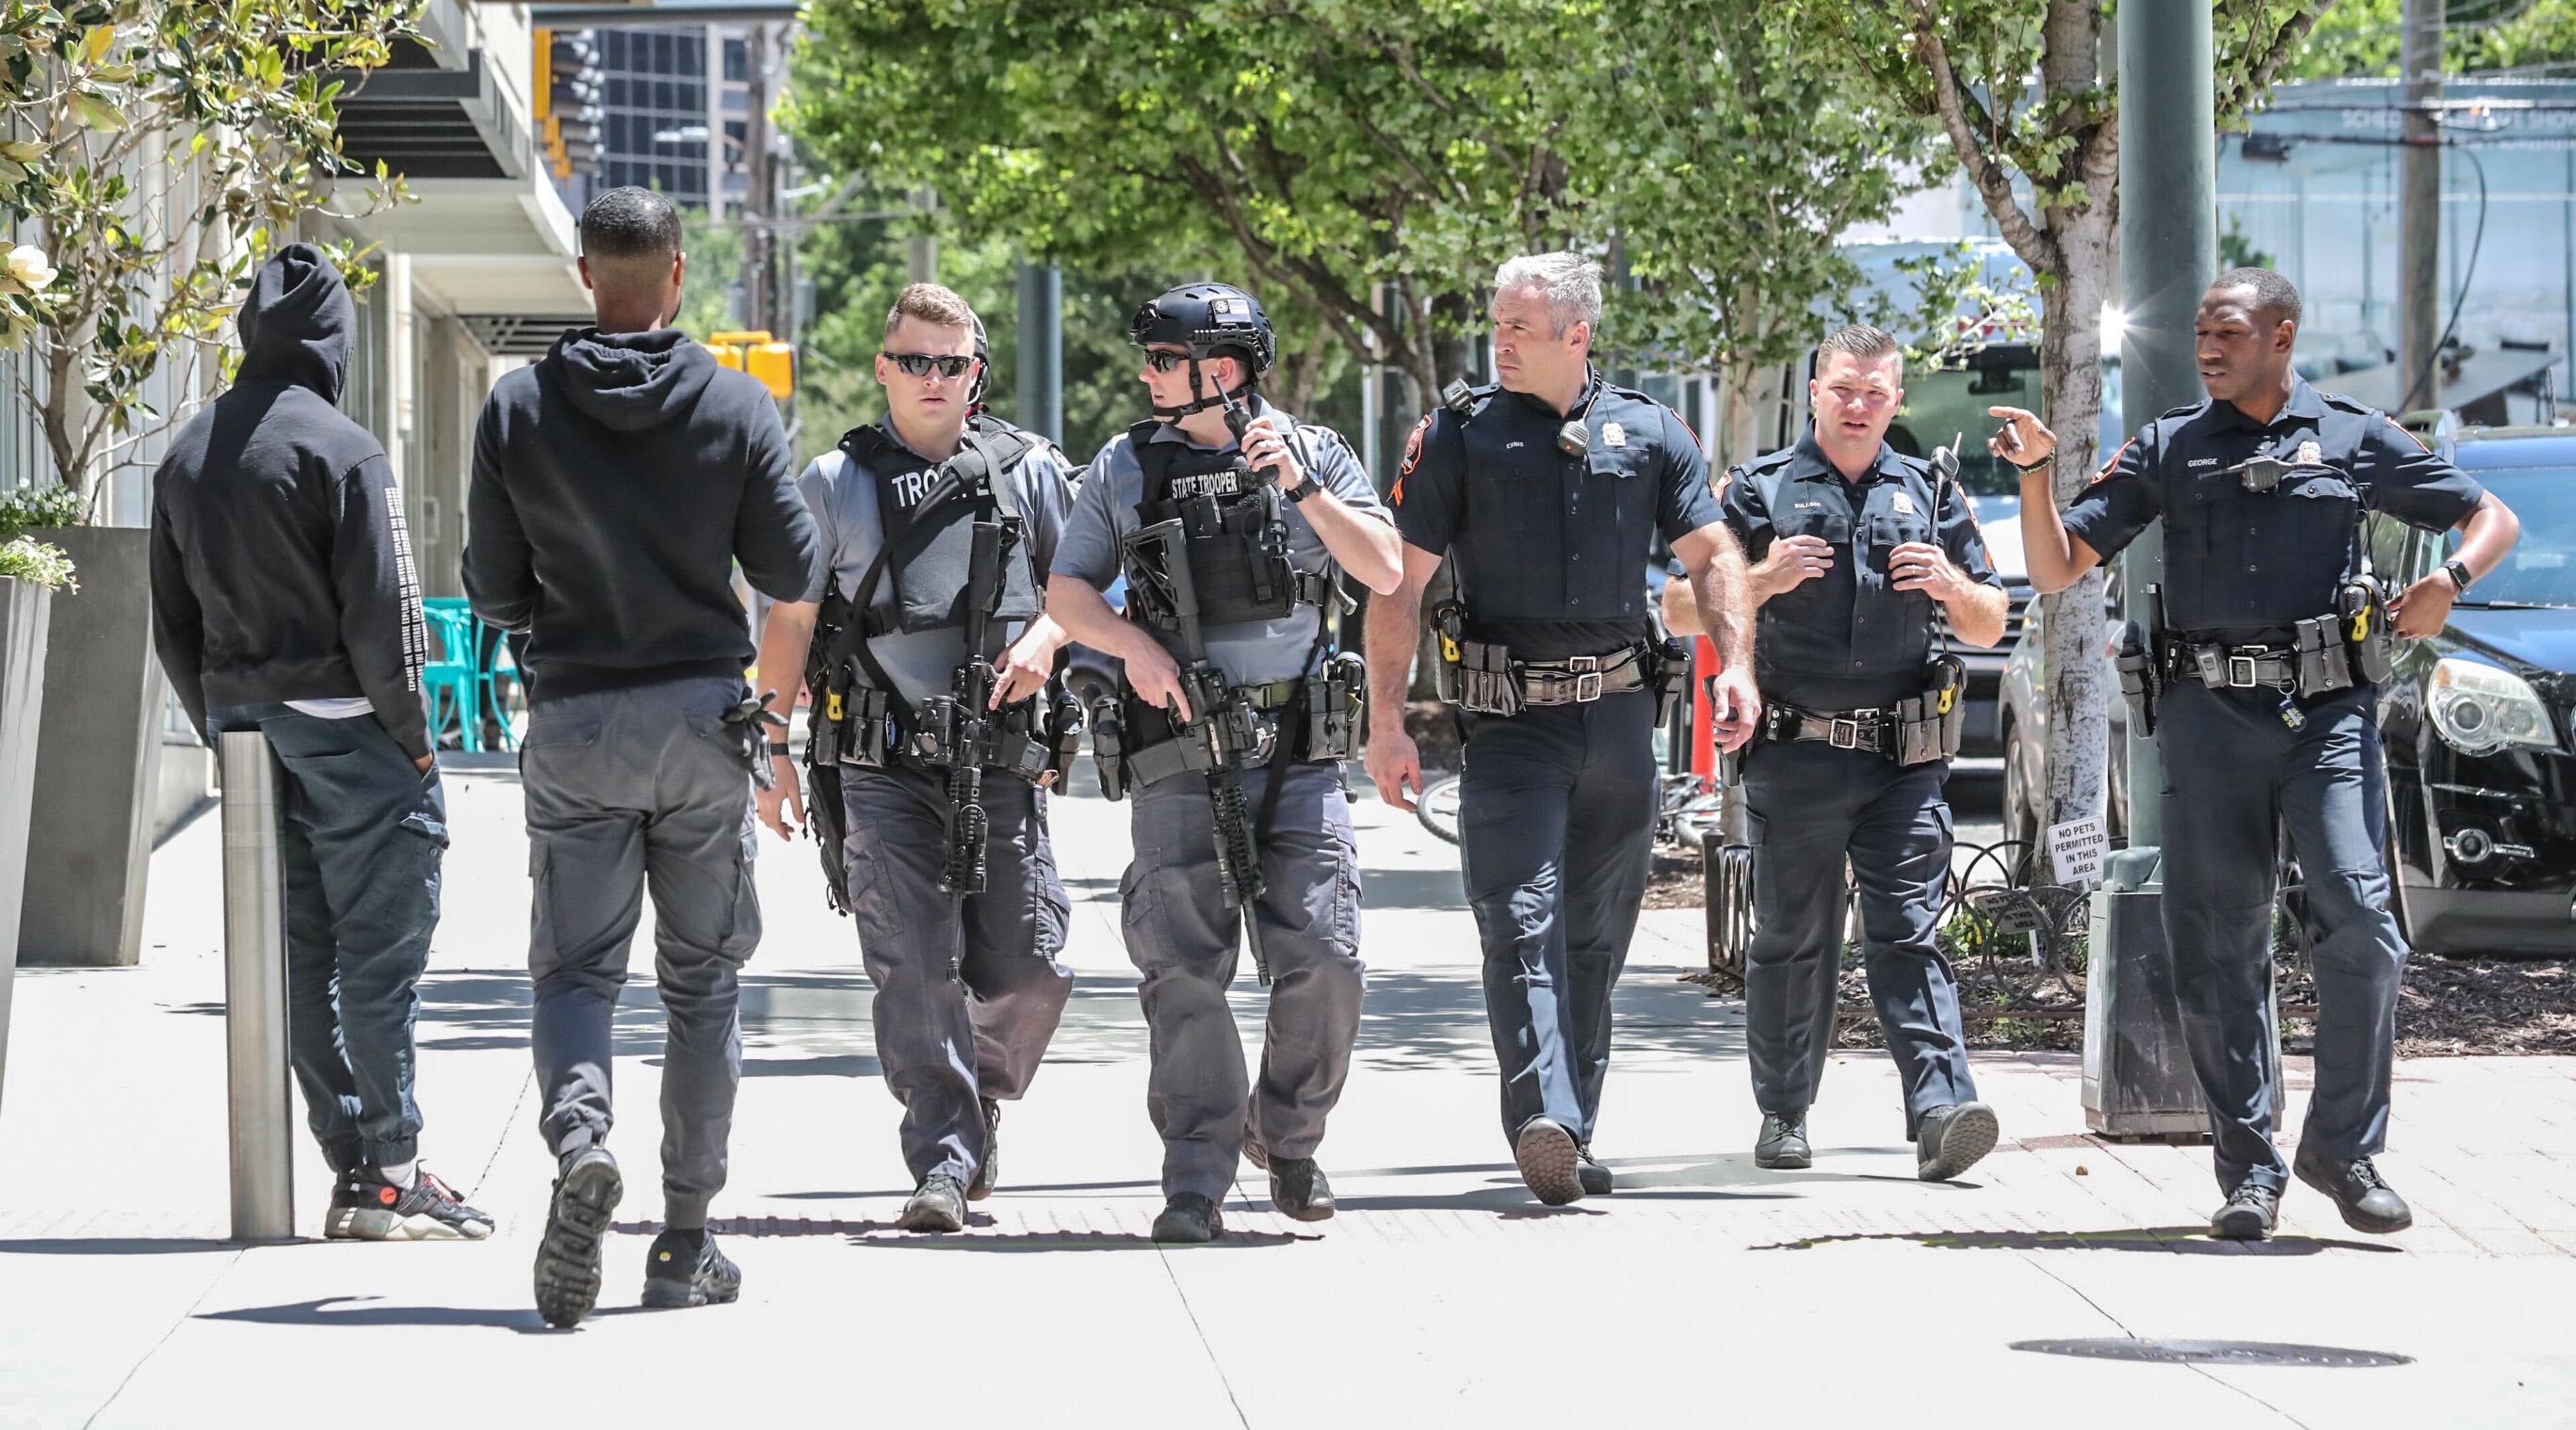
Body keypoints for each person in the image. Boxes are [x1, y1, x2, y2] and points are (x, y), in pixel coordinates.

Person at [2000, 266, 2520, 1240]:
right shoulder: (2169, 447)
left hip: (2326, 718)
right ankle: (2249, 1171)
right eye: (2200, 330)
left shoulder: (2356, 437)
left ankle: (2342, 1148)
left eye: (2227, 331)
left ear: (2281, 336)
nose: (2206, 346)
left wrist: (2449, 579)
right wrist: (2036, 477)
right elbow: (2058, 564)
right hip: (2205, 723)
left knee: (2362, 927)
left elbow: (2492, 517)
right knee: (2217, 947)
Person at [466, 186, 820, 1321]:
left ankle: (580, 1146)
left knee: (574, 972)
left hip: (575, 717)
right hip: (699, 722)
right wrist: (769, 720)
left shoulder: (518, 410)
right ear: (676, 274)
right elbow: (790, 567)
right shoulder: (732, 403)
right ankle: (684, 1239)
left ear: (585, 275)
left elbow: (491, 588)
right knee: (701, 985)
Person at [1365, 252, 1760, 1206]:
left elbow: (1713, 555)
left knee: (1594, 941)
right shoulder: (1458, 435)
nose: (1500, 343)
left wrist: (1737, 663)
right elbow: (1397, 585)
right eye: (1495, 324)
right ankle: (1543, 1115)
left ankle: (1572, 1128)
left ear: (1576, 335)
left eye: (1520, 329)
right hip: (1508, 726)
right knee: (1520, 922)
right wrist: (1384, 720)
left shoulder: (1651, 429)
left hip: (1624, 722)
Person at [1045, 282, 1401, 1243]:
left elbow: (1384, 569)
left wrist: (1302, 489)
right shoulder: (1126, 463)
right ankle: (1194, 1177)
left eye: (1165, 360)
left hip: (1297, 754)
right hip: (1178, 750)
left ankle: (1285, 1138)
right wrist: (1134, 649)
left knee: (1328, 960)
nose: (1148, 374)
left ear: (1227, 371)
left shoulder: (1313, 452)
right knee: (1184, 970)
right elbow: (1068, 591)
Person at [150, 243, 492, 1242]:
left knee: (293, 953)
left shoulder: (187, 451)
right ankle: (393, 1166)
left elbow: (170, 622)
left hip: (245, 725)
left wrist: (222, 728)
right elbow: (384, 614)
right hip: (346, 724)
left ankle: (354, 1162)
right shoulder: (343, 450)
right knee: (380, 951)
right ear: (335, 342)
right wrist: (417, 739)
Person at [751, 283, 1078, 1233]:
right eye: (915, 362)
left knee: (1030, 968)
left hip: (1004, 761)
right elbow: (790, 622)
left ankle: (977, 1096)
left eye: (953, 363)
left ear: (976, 374)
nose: (933, 379)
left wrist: (1049, 640)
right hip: (879, 767)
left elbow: (1089, 588)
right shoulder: (833, 482)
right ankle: (942, 1155)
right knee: (912, 966)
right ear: (884, 368)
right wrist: (771, 749)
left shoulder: (1033, 473)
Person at [1666, 325, 2006, 1182]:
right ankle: (1784, 1113)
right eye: (1843, 390)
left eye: (1876, 394)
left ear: (1898, 400)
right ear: (1814, 391)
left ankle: (1941, 1108)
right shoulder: (1757, 489)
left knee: (1909, 935)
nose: (1859, 407)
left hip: (1902, 761)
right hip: (1798, 753)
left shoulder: (1930, 491)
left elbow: (1992, 618)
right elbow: (1676, 604)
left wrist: (1950, 586)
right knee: (1792, 939)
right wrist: (1766, 577)